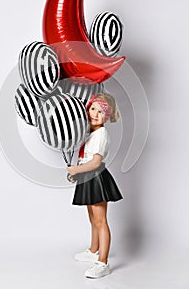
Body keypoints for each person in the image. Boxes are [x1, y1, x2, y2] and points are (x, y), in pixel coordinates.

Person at [67, 93, 123, 279]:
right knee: (92, 218)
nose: (95, 114)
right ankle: (93, 250)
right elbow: (86, 158)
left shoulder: (101, 134)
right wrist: (77, 172)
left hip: (96, 177)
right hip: (87, 176)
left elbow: (95, 163)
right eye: (93, 108)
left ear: (107, 117)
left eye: (101, 112)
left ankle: (103, 262)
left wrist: (76, 169)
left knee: (100, 221)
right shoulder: (90, 133)